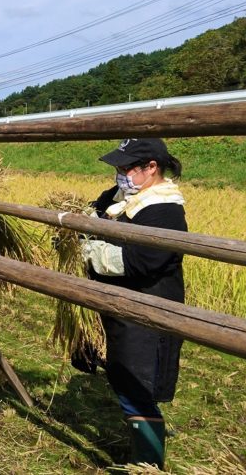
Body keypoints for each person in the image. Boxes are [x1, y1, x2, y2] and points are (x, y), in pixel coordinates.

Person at [81, 137, 186, 469]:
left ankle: (148, 462)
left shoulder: (164, 208)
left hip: (147, 310)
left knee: (136, 383)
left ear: (151, 168)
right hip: (119, 303)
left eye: (126, 168)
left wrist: (88, 250)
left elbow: (145, 260)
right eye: (118, 168)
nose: (119, 174)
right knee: (121, 376)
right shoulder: (120, 198)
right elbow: (93, 213)